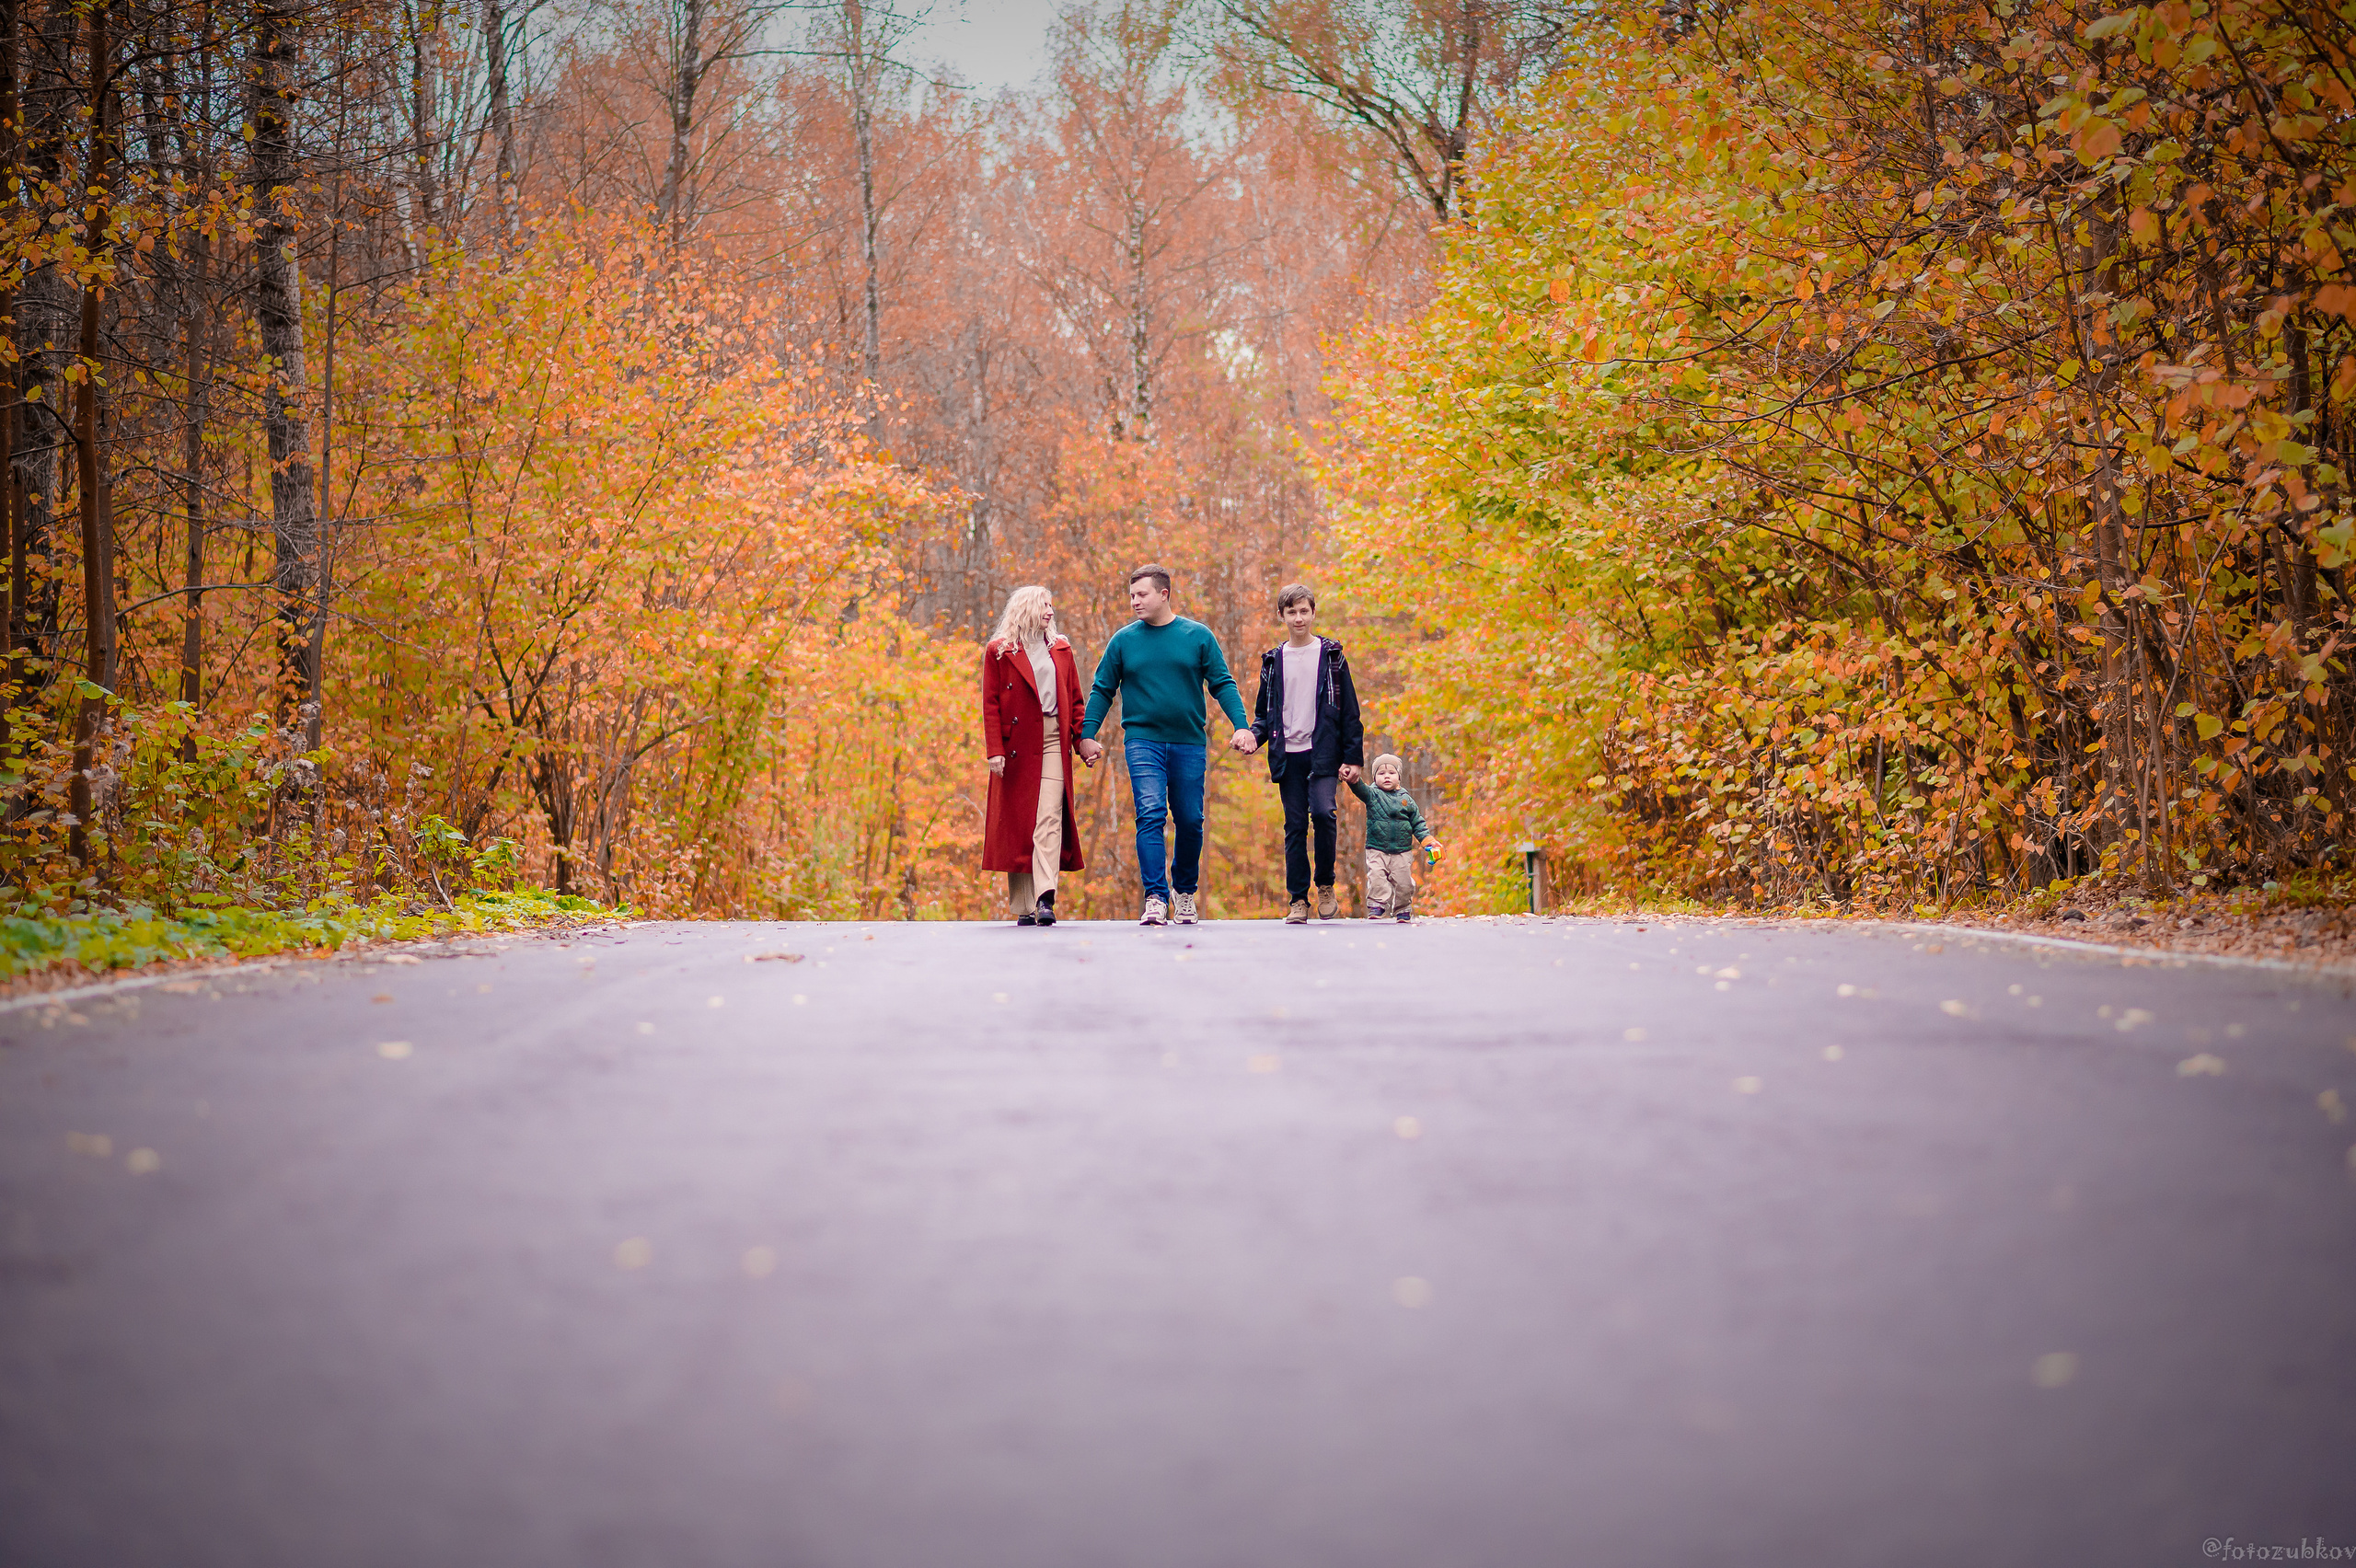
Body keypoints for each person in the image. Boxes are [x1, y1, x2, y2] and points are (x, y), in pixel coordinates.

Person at [1077, 563, 1255, 926]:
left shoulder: (1197, 636)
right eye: (1131, 596)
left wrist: (1242, 726)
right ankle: (1156, 897)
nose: (1134, 602)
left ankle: (1183, 892)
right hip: (1143, 741)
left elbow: (1222, 683)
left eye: (1141, 594)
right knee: (1151, 813)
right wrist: (1087, 735)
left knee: (1191, 820)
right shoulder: (1124, 641)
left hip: (1189, 742)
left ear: (1164, 594)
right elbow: (1102, 689)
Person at [1248, 583, 1364, 925]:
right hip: (1289, 755)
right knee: (1295, 825)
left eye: (1304, 611)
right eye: (1291, 612)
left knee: (1325, 814)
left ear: (1313, 613)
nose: (1298, 618)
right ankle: (1298, 899)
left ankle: (1325, 885)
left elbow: (1349, 711)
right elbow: (1262, 714)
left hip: (1323, 753)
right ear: (1281, 615)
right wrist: (1253, 738)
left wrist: (1353, 757)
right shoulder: (1273, 660)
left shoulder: (1331, 656)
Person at [981, 585, 1091, 926]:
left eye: (1051, 606)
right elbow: (991, 704)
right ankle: (1025, 906)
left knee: (1048, 817)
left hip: (1053, 738)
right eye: (1044, 605)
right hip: (1016, 744)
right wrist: (995, 750)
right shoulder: (999, 651)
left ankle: (1046, 897)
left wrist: (1083, 740)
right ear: (1026, 607)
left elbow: (1074, 699)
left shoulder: (1060, 648)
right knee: (1019, 824)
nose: (1050, 611)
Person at [1348, 754, 1441, 921]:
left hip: (1401, 851)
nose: (1386, 776)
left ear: (1399, 776)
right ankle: (1377, 905)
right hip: (1377, 848)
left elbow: (1418, 823)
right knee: (1376, 877)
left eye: (1391, 773)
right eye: (1381, 773)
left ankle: (1402, 909)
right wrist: (1353, 779)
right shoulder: (1372, 795)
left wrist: (1428, 840)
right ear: (1375, 777)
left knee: (1404, 883)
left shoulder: (1407, 800)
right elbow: (1359, 789)